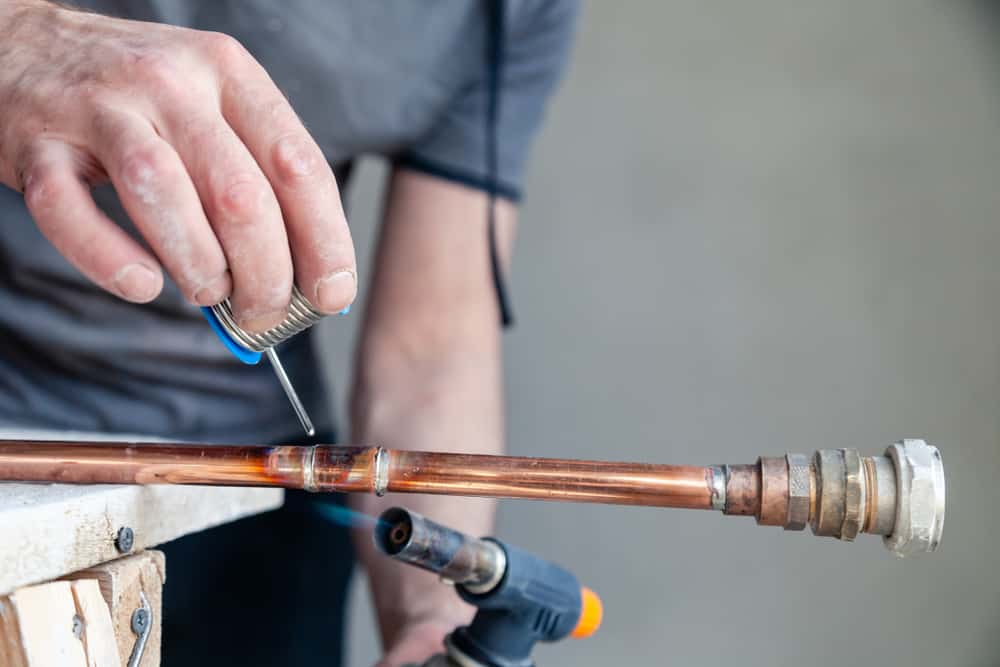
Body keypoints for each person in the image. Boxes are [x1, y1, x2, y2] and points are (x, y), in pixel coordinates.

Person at [0, 0, 578, 665]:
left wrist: (434, 616)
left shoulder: (517, 13)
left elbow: (430, 347)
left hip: (256, 494)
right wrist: (18, 39)